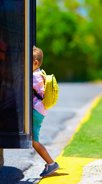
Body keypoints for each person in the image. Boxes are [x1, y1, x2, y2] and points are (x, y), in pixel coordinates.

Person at [33, 46, 60, 177]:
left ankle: (51, 163)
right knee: (33, 140)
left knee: (34, 141)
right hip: (40, 110)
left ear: (35, 63)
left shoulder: (33, 77)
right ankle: (50, 163)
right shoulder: (40, 73)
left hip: (35, 111)